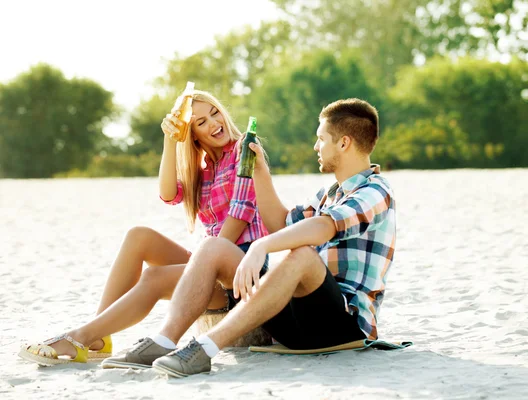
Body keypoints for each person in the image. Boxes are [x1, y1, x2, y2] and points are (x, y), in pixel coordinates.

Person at [101, 98, 396, 378]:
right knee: (214, 246)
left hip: (343, 325)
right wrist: (260, 172)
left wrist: (261, 245)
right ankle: (164, 341)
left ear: (343, 142)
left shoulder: (375, 191)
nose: (315, 145)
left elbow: (323, 227)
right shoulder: (330, 194)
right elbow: (281, 223)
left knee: (303, 255)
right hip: (299, 324)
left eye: (321, 138)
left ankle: (204, 347)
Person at [18, 90, 269, 366]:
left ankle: (79, 336)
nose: (213, 123)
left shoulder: (243, 150)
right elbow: (168, 193)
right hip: (211, 264)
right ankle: (99, 338)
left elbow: (241, 214)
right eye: (200, 122)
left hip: (240, 272)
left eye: (215, 113)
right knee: (139, 237)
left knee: (154, 277)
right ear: (193, 134)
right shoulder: (206, 168)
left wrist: (203, 263)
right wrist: (169, 141)